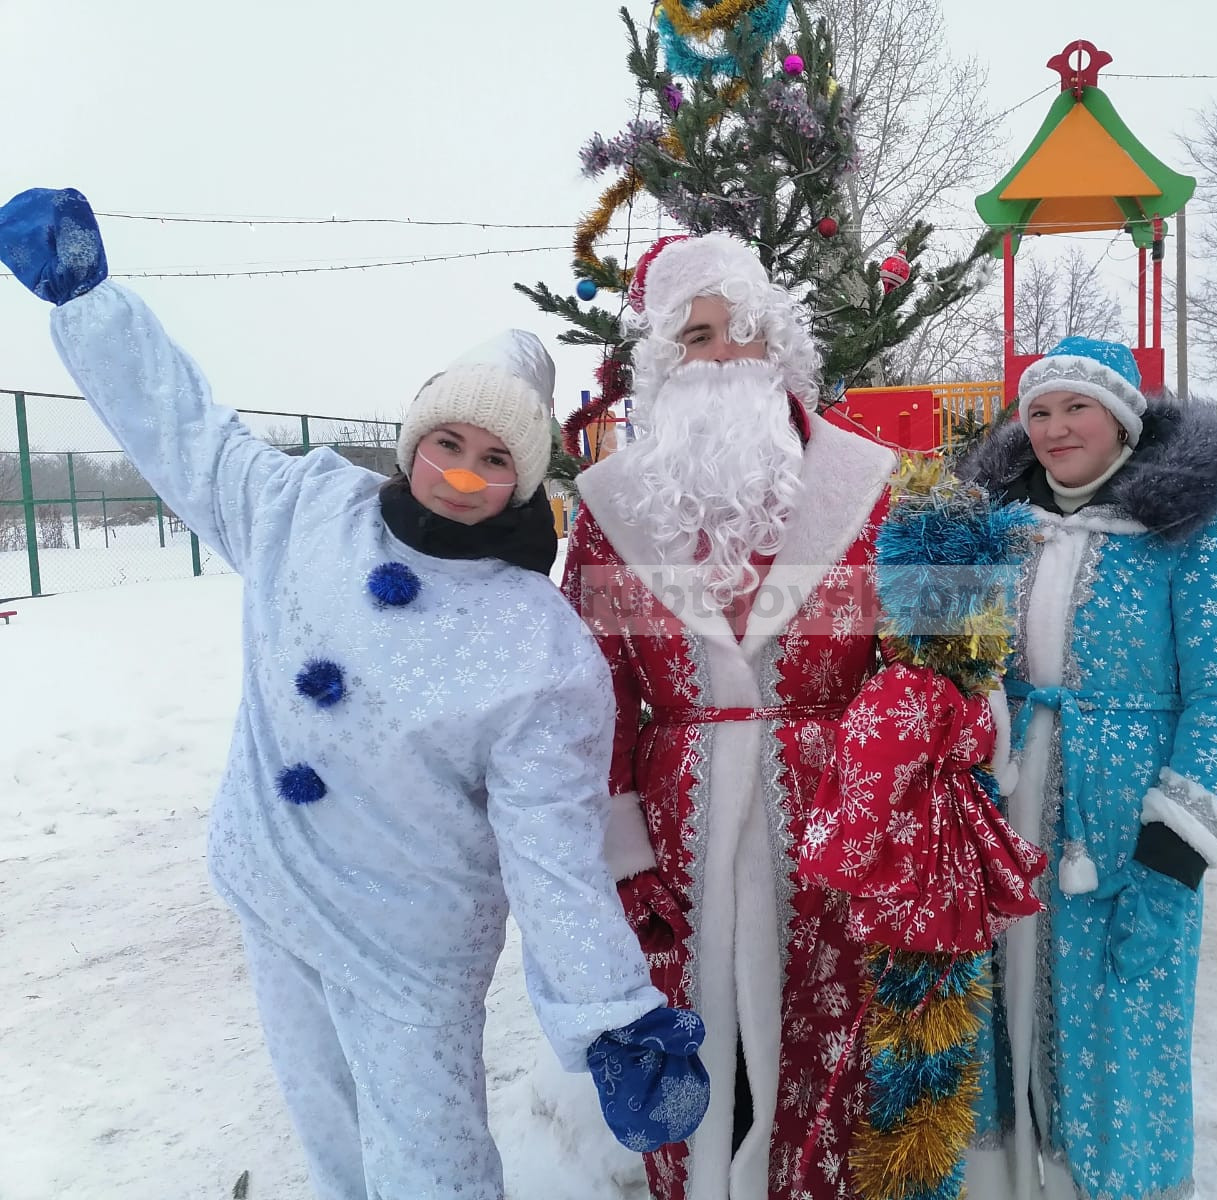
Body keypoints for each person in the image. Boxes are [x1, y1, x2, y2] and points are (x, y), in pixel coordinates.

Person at [0, 187, 709, 1200]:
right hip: (273, 887)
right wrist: (92, 304)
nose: (460, 474)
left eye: (494, 459)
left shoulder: (540, 647)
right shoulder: (303, 509)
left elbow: (551, 849)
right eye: (448, 443)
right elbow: (188, 436)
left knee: (429, 1160)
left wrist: (613, 1017)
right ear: (414, 438)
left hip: (410, 949)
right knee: (326, 1123)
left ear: (524, 480)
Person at [560, 232, 903, 1200]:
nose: (722, 356)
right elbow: (590, 691)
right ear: (663, 363)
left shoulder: (869, 481)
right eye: (697, 336)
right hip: (679, 826)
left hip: (834, 818)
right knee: (704, 1046)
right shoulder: (611, 506)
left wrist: (896, 798)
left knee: (830, 1046)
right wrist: (622, 847)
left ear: (778, 345)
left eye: (742, 332)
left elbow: (932, 658)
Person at [957, 337, 1217, 1200]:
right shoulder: (996, 527)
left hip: (1122, 831)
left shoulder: (1187, 529)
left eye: (1076, 408)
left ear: (1124, 421)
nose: (1055, 428)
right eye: (1039, 412)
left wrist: (1179, 842)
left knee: (1123, 1019)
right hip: (1004, 811)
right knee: (999, 1007)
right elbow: (942, 655)